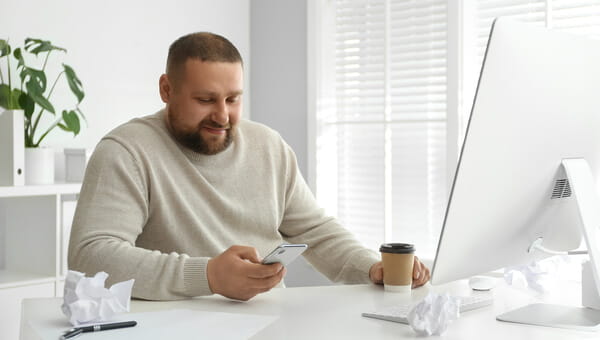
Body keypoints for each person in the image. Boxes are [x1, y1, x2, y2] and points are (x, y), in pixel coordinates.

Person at [68, 32, 430, 301]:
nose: (222, 116)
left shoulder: (269, 147)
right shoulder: (127, 151)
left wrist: (370, 267)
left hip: (271, 324)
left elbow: (316, 230)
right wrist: (207, 275)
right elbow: (91, 256)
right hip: (173, 326)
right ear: (166, 89)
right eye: (205, 99)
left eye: (233, 99)